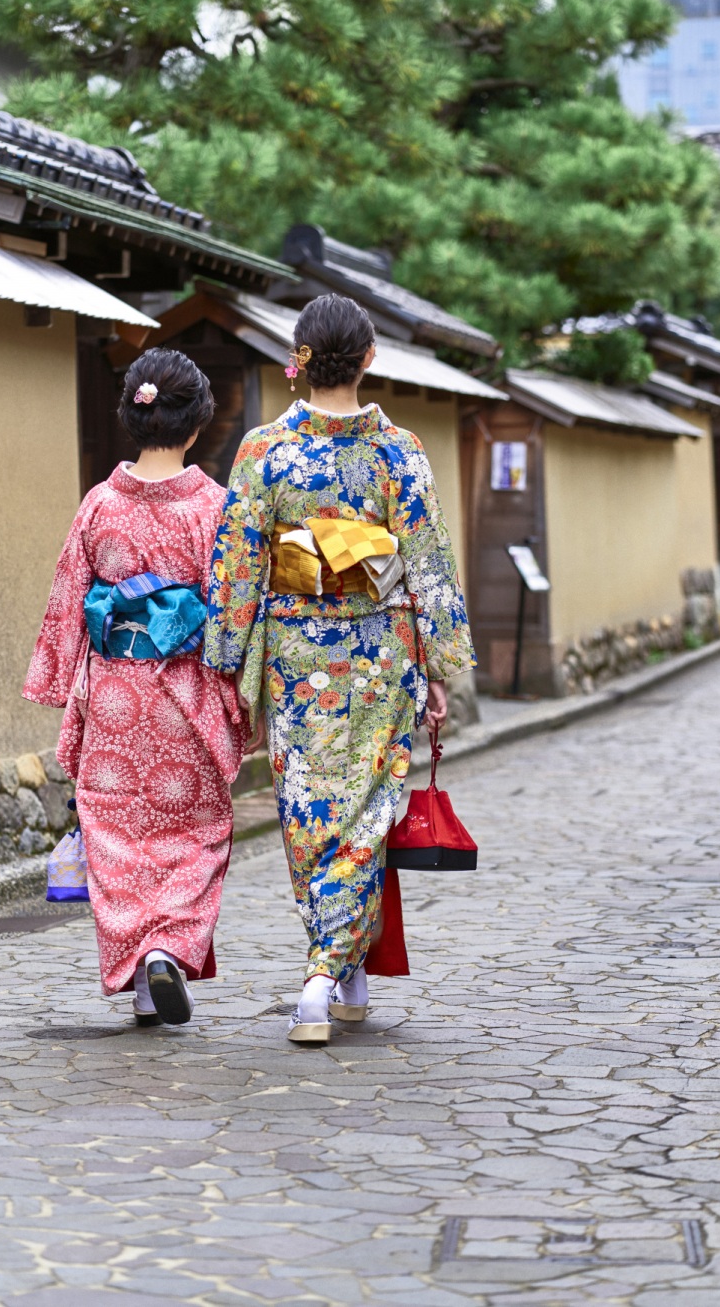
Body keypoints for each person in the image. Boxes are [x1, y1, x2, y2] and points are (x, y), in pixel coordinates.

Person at [204, 293, 475, 1044]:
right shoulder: (399, 450)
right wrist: (440, 667)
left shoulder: (264, 450)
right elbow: (426, 568)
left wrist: (229, 664)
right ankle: (329, 975)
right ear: (368, 357)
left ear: (298, 357)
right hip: (378, 656)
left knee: (309, 814)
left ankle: (333, 967)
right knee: (360, 815)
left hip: (296, 657)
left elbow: (237, 567)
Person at [24, 347, 246, 1027]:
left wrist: (57, 679)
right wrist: (244, 691)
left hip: (116, 695)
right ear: (198, 421)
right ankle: (168, 952)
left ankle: (146, 973)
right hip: (186, 694)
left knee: (118, 837)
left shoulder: (100, 504)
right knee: (196, 833)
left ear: (134, 414)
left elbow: (69, 597)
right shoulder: (214, 507)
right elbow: (234, 611)